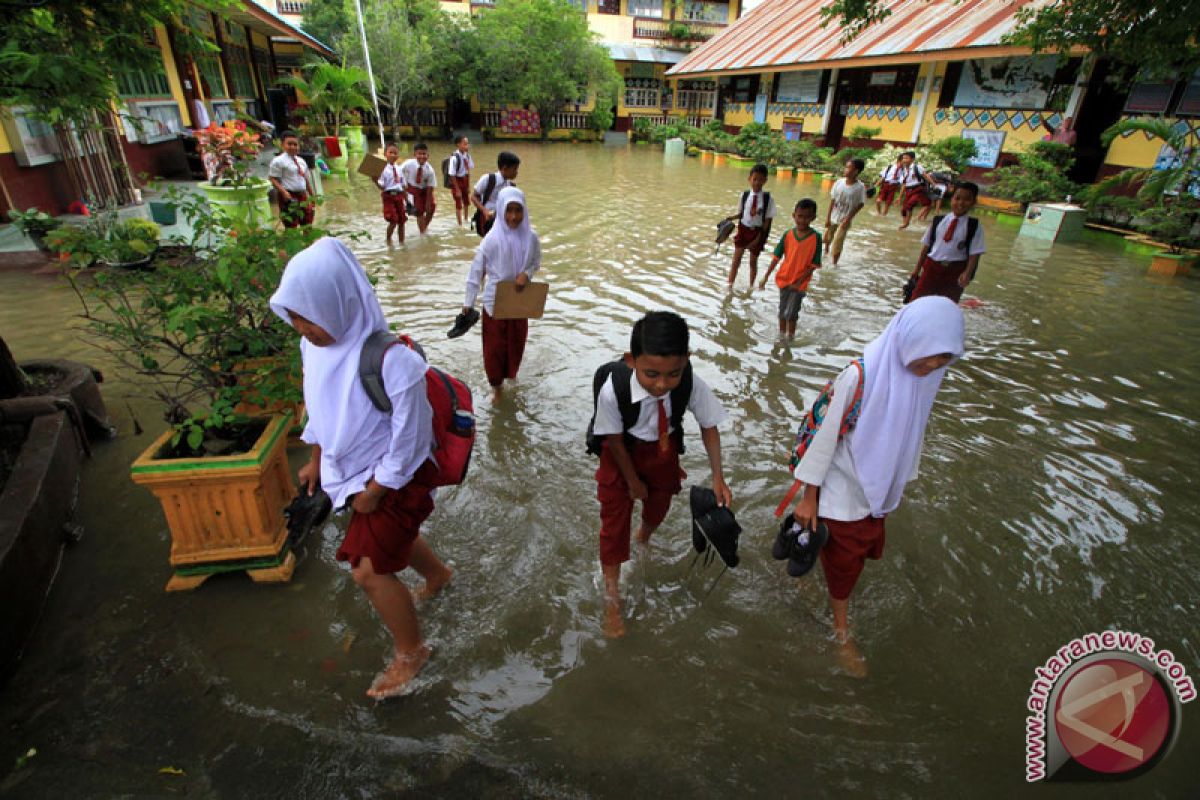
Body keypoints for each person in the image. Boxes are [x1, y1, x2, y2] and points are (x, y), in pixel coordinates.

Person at [269, 237, 454, 700]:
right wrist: (316, 460)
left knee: (368, 571)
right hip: (353, 477)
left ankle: (413, 651)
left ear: (341, 302)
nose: (302, 327)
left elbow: (410, 440)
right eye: (294, 316)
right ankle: (439, 576)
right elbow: (321, 409)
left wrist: (377, 487)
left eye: (309, 315)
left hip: (397, 478)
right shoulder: (313, 348)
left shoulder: (396, 363)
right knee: (388, 545)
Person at [788, 296, 964, 677]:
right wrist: (809, 497)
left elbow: (907, 430)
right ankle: (841, 632)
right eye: (929, 353)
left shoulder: (925, 377)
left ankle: (809, 578)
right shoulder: (859, 375)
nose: (933, 363)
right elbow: (823, 435)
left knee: (849, 553)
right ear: (908, 337)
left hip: (875, 490)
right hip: (841, 488)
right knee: (845, 565)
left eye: (944, 356)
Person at [591, 311, 731, 638]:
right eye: (651, 374)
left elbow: (709, 426)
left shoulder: (690, 382)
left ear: (686, 361)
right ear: (631, 360)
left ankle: (643, 539)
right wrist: (633, 482)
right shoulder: (614, 390)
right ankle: (612, 599)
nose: (662, 384)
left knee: (659, 508)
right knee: (613, 526)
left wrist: (718, 477)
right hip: (621, 453)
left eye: (673, 375)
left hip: (664, 452)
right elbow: (612, 438)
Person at [462, 186, 540, 404]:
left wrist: (527, 273)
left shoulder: (531, 237)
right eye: (509, 210)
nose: (513, 217)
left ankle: (511, 376)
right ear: (501, 210)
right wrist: (468, 303)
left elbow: (536, 262)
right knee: (494, 350)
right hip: (494, 305)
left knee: (516, 345)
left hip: (519, 302)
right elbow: (476, 272)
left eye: (518, 210)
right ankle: (496, 388)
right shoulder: (491, 240)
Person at [907, 182, 985, 304]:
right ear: (951, 199)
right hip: (932, 268)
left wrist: (967, 273)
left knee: (947, 305)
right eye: (957, 198)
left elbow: (975, 254)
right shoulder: (938, 221)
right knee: (916, 301)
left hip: (955, 272)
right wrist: (916, 270)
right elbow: (926, 246)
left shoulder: (973, 226)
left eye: (967, 199)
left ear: (974, 202)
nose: (960, 203)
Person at [759, 199, 822, 339]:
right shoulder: (788, 235)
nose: (803, 220)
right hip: (784, 279)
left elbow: (814, 265)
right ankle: (782, 336)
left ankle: (790, 338)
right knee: (782, 312)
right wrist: (766, 276)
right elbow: (776, 257)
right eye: (800, 216)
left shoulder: (816, 238)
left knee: (792, 314)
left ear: (813, 218)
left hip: (800, 284)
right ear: (794, 215)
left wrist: (799, 282)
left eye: (807, 217)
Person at [725, 164, 776, 288]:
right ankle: (730, 285)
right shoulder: (744, 195)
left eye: (760, 180)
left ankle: (751, 286)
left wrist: (759, 239)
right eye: (755, 179)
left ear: (765, 181)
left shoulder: (768, 199)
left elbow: (767, 221)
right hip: (743, 229)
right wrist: (731, 218)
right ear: (749, 179)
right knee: (736, 260)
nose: (757, 183)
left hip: (757, 232)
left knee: (753, 262)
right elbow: (742, 213)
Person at [267, 130, 315, 228]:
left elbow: (306, 179)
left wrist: (312, 196)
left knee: (307, 222)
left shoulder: (301, 161)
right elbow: (272, 178)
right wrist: (284, 192)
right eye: (289, 144)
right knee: (291, 224)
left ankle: (308, 242)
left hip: (302, 195)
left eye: (295, 144)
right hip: (288, 196)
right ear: (282, 145)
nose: (293, 147)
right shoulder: (278, 161)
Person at [825, 158, 866, 265]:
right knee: (828, 237)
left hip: (845, 218)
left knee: (838, 241)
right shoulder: (839, 182)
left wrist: (848, 218)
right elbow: (832, 200)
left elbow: (861, 204)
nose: (845, 169)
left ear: (856, 171)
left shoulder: (860, 187)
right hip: (834, 215)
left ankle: (834, 264)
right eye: (846, 167)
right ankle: (825, 252)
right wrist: (828, 218)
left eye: (848, 167)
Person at [471, 151, 520, 237]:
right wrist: (484, 211)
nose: (517, 172)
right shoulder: (488, 179)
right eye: (515, 169)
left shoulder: (510, 185)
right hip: (487, 220)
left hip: (502, 219)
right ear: (505, 168)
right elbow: (473, 197)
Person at [401, 142, 438, 234]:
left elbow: (430, 187)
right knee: (419, 211)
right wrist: (403, 187)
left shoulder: (430, 170)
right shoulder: (408, 164)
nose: (422, 156)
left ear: (428, 155)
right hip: (413, 189)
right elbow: (398, 172)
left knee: (431, 208)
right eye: (419, 154)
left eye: (424, 154)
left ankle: (424, 227)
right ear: (414, 155)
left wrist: (428, 203)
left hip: (425, 190)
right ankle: (422, 231)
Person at [377, 142, 406, 246]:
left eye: (395, 153)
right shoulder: (383, 169)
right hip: (388, 195)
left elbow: (403, 185)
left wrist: (407, 200)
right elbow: (381, 186)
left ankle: (402, 242)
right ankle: (389, 240)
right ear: (385, 154)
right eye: (391, 152)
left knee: (402, 220)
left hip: (399, 195)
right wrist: (375, 180)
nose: (393, 155)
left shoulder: (399, 168)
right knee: (393, 220)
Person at [897, 151, 932, 230]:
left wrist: (934, 185)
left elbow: (926, 176)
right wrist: (899, 197)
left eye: (906, 158)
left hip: (918, 189)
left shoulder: (917, 167)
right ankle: (904, 223)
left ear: (912, 159)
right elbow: (904, 184)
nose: (904, 160)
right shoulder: (904, 170)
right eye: (903, 158)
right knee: (903, 210)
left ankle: (906, 223)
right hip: (908, 190)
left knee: (909, 205)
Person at [447, 135, 474, 227]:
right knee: (458, 203)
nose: (467, 146)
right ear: (458, 145)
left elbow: (468, 171)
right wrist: (457, 189)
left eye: (467, 144)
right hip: (457, 181)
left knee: (466, 201)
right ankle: (460, 224)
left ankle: (466, 219)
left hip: (465, 180)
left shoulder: (467, 156)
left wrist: (468, 186)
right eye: (465, 144)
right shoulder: (454, 158)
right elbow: (452, 174)